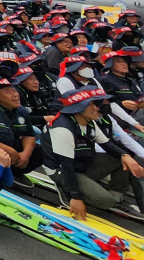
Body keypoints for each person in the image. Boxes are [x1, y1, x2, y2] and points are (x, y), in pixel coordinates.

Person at [42, 87, 144, 218]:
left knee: (125, 160)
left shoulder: (88, 122)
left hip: (81, 163)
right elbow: (66, 166)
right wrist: (76, 197)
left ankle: (117, 197)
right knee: (106, 201)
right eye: (91, 105)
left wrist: (125, 156)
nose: (97, 108)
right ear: (77, 108)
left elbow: (107, 145)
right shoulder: (63, 129)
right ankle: (68, 192)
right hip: (61, 170)